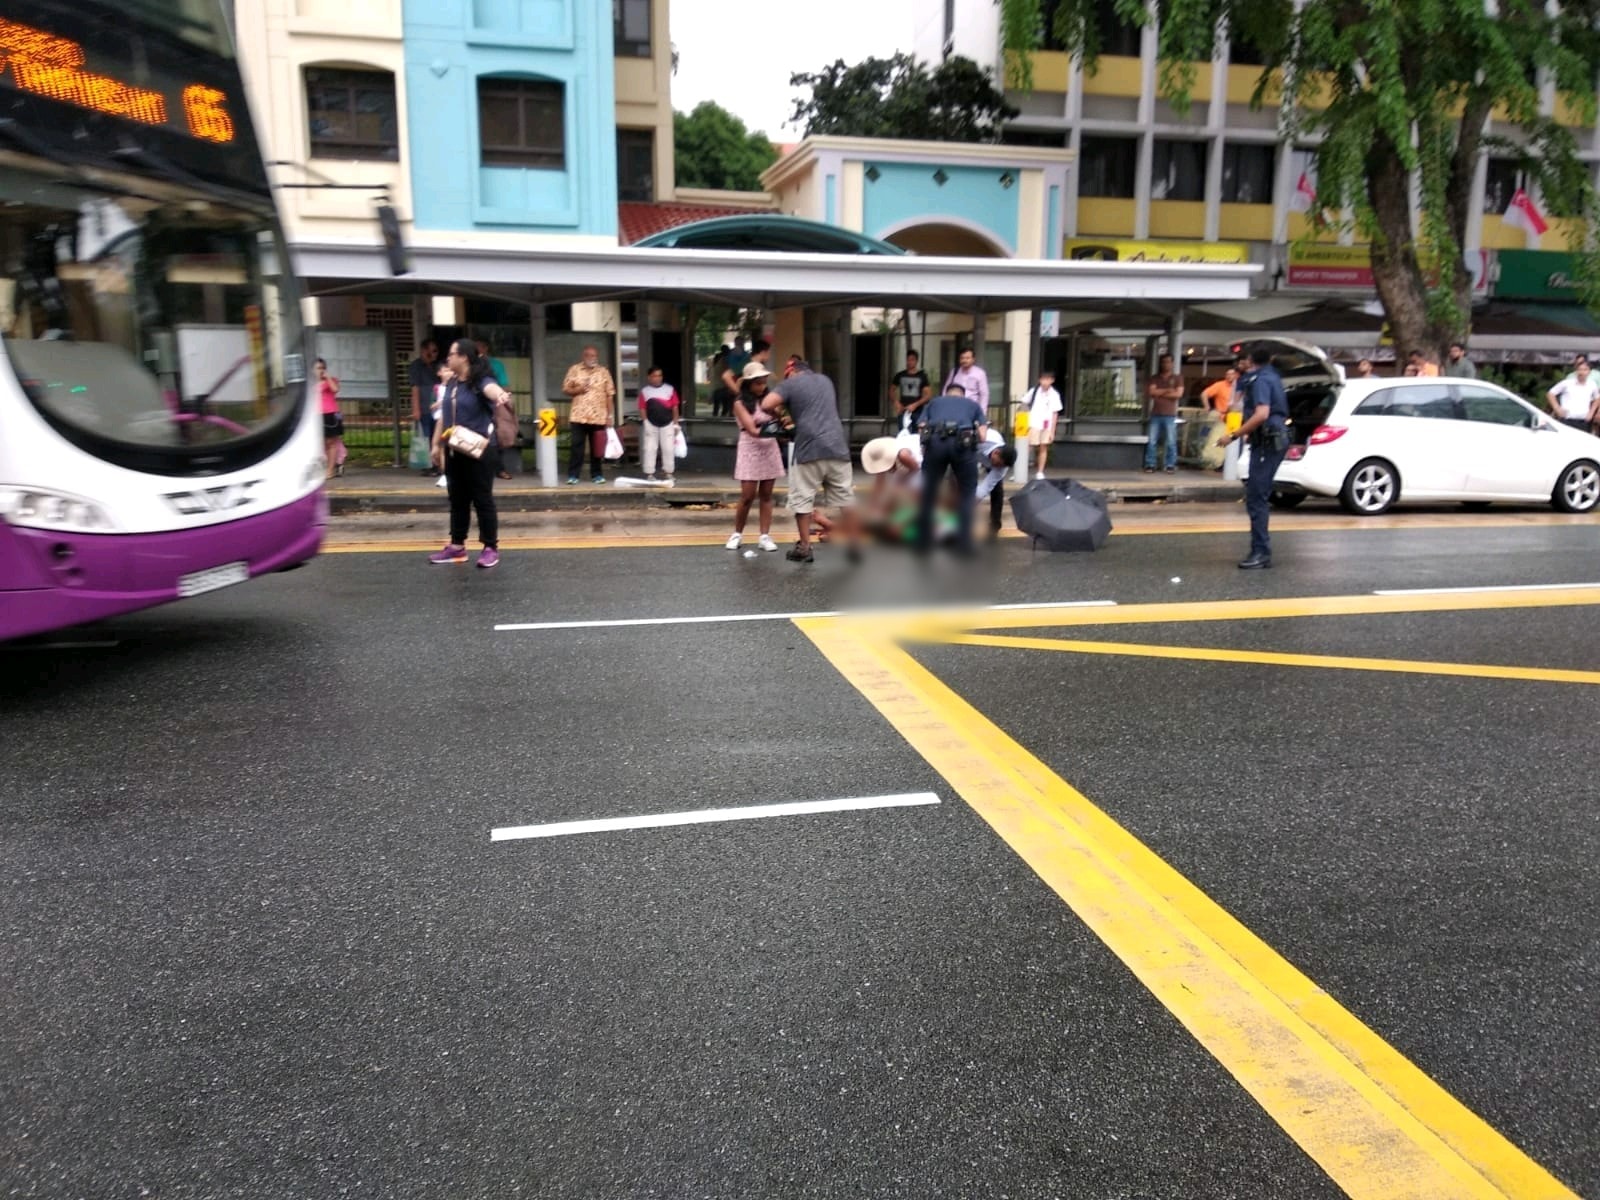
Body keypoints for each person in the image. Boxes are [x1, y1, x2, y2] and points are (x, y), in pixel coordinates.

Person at [761, 360, 862, 563]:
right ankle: (854, 544)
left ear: (792, 372)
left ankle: (805, 548)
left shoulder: (791, 383)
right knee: (845, 498)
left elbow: (766, 404)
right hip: (837, 447)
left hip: (808, 448)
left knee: (803, 500)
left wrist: (780, 412)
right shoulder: (825, 381)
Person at [428, 339, 514, 569]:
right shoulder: (453, 383)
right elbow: (445, 417)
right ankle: (457, 547)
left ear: (464, 357)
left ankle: (490, 547)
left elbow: (492, 390)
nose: (448, 358)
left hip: (479, 451)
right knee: (457, 500)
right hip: (455, 450)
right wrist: (436, 445)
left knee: (482, 499)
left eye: (452, 354)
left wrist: (500, 396)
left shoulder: (480, 381)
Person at [1217, 344, 1290, 570]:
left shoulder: (1259, 381)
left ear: (1250, 360)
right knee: (1258, 494)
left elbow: (1261, 414)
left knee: (1256, 496)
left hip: (1267, 442)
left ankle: (1261, 552)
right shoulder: (1272, 377)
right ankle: (1260, 550)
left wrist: (1234, 435)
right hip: (1269, 440)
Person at [915, 382, 987, 556]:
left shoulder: (933, 403)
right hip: (963, 444)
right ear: (963, 395)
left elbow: (921, 427)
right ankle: (964, 546)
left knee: (928, 493)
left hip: (936, 443)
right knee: (967, 493)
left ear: (946, 394)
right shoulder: (973, 405)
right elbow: (983, 437)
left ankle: (923, 543)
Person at [726, 361, 785, 551]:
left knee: (767, 495)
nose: (762, 386)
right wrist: (775, 429)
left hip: (769, 448)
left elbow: (782, 418)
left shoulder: (769, 399)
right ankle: (737, 533)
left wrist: (780, 418)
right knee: (747, 495)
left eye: (764, 382)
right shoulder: (739, 403)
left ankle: (765, 536)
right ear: (748, 384)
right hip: (750, 447)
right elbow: (751, 429)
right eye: (758, 383)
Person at [562, 344, 616, 484]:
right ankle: (573, 475)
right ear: (584, 356)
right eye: (590, 356)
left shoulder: (603, 372)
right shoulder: (574, 370)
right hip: (578, 416)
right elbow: (566, 389)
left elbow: (610, 394)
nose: (593, 358)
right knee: (577, 447)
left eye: (595, 356)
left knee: (597, 448)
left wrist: (610, 416)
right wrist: (578, 390)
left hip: (598, 417)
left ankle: (597, 475)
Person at [475, 338, 514, 478]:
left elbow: (504, 385)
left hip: (494, 405)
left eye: (480, 347)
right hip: (475, 406)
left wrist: (499, 396)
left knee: (497, 436)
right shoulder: (469, 365)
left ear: (486, 349)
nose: (478, 351)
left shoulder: (496, 365)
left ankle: (499, 468)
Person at [637, 364, 682, 484]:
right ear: (649, 377)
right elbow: (642, 408)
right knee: (650, 448)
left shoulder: (669, 389)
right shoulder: (645, 391)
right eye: (654, 376)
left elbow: (675, 407)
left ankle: (668, 472)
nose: (657, 378)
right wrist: (645, 421)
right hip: (651, 424)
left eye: (659, 375)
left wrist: (676, 423)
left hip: (667, 423)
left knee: (668, 449)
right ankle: (649, 473)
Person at [975, 425, 1018, 542]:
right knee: (957, 485)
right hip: (967, 454)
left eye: (1001, 466)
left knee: (997, 490)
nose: (998, 467)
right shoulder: (984, 439)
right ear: (996, 453)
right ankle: (951, 527)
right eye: (998, 464)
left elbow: (984, 489)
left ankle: (994, 527)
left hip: (980, 457)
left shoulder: (1001, 467)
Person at [1143, 353, 1184, 474]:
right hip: (1155, 413)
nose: (1166, 364)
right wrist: (1167, 390)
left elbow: (1178, 394)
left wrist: (1159, 393)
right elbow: (1151, 392)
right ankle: (1150, 464)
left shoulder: (1177, 378)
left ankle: (1170, 464)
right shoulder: (1155, 377)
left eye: (1168, 362)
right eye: (1164, 362)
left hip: (1170, 414)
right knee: (1152, 440)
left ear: (1172, 363)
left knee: (1171, 441)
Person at [409, 337, 442, 475]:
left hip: (436, 406)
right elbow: (415, 388)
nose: (434, 354)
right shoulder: (416, 366)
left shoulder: (437, 366)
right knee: (427, 436)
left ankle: (437, 463)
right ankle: (429, 464)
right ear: (424, 351)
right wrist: (416, 409)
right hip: (424, 406)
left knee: (437, 435)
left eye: (435, 351)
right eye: (431, 351)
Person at [1021, 369, 1063, 480]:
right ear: (1040, 380)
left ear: (1052, 381)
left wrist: (1053, 431)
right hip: (1033, 422)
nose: (1045, 382)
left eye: (1048, 379)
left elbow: (1055, 413)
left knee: (1043, 447)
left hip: (1046, 424)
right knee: (1028, 446)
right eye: (1043, 379)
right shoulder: (1034, 391)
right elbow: (1024, 403)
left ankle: (1040, 471)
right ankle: (1020, 470)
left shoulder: (1054, 394)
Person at [1546, 357, 1600, 431]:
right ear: (1576, 371)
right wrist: (1556, 408)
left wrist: (1591, 412)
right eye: (1579, 370)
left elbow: (1597, 398)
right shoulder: (1567, 383)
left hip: (1584, 421)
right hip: (1567, 420)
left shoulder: (1592, 384)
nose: (1582, 372)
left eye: (1585, 370)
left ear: (1589, 372)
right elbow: (1550, 393)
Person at [315, 358, 345, 480]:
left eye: (323, 368)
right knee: (319, 443)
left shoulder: (331, 381)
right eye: (318, 368)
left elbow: (335, 390)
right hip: (315, 415)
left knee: (331, 442)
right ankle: (324, 467)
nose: (320, 371)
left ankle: (330, 469)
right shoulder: (309, 383)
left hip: (330, 414)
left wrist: (327, 378)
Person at [890, 350, 932, 433]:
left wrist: (915, 405)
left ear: (916, 361)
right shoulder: (900, 375)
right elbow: (892, 390)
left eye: (912, 360)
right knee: (903, 433)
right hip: (903, 410)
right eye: (908, 360)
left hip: (917, 411)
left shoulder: (922, 376)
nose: (910, 362)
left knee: (916, 434)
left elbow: (928, 395)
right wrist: (896, 403)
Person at [943, 346, 989, 414]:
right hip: (955, 407)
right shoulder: (954, 372)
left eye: (967, 358)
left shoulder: (980, 373)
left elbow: (984, 394)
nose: (964, 360)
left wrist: (982, 413)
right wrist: (945, 404)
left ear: (973, 359)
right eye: (962, 358)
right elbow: (946, 389)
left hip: (971, 408)